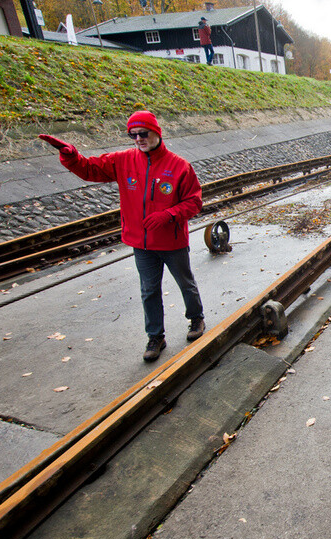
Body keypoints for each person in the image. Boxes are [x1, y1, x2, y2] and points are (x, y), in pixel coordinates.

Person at [38, 111, 206, 362]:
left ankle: (196, 318)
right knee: (149, 290)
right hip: (141, 243)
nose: (138, 139)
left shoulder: (179, 166)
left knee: (185, 283)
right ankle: (155, 337)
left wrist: (168, 215)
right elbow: (90, 169)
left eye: (143, 133)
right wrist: (71, 156)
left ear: (156, 132)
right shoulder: (122, 161)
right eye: (133, 135)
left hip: (171, 242)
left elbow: (194, 202)